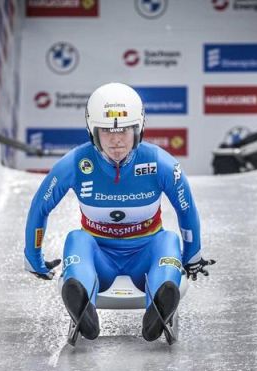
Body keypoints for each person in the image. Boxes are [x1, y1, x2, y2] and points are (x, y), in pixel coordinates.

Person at [24, 82, 215, 342]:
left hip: (146, 256)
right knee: (76, 239)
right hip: (98, 256)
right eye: (106, 131)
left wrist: (192, 256)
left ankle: (159, 306)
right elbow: (40, 207)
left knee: (168, 240)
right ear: (93, 132)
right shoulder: (76, 163)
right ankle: (82, 301)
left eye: (124, 130)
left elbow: (186, 209)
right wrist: (33, 257)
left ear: (139, 129)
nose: (116, 140)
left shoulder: (161, 163)